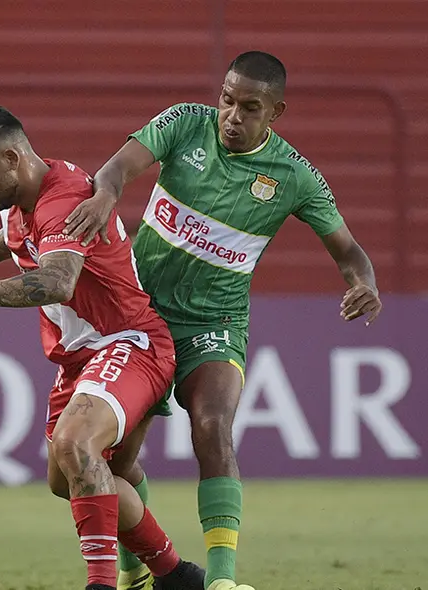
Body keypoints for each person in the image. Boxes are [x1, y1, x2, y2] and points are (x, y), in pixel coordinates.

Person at [61, 51, 383, 590]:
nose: (232, 115)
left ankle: (222, 581)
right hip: (139, 315)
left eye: (250, 107)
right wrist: (104, 196)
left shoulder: (295, 177)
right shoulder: (185, 123)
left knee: (212, 426)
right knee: (116, 460)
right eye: (227, 99)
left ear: (276, 112)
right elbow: (116, 168)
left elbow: (349, 250)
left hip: (216, 320)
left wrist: (363, 283)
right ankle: (136, 565)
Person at [0, 102, 204, 590]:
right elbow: (13, 235)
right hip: (80, 358)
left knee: (74, 444)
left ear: (13, 158)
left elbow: (58, 281)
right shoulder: (28, 195)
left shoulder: (63, 198)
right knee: (70, 478)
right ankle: (175, 574)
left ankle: (102, 584)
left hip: (130, 342)